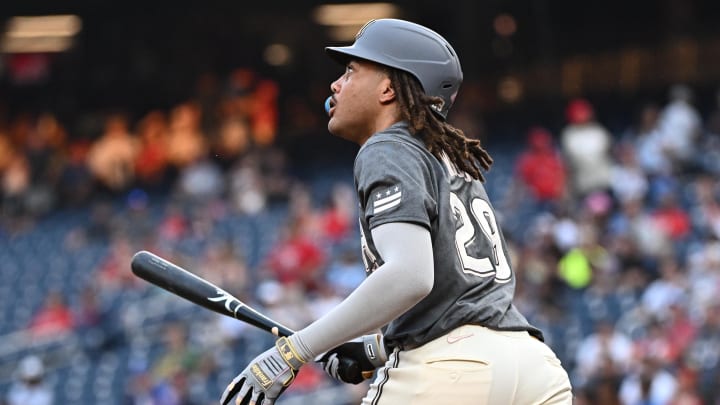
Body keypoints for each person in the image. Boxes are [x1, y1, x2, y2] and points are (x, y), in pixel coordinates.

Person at [221, 18, 572, 405]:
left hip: (451, 369)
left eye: (352, 72)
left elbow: (410, 276)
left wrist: (293, 351)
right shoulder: (447, 156)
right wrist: (376, 348)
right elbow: (458, 299)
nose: (336, 85)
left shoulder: (387, 147)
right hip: (534, 368)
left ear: (389, 88)